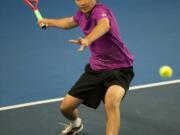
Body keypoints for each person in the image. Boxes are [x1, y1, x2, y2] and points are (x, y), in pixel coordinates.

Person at [38, 0, 134, 135]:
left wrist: (88, 39)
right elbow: (68, 22)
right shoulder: (81, 14)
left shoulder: (101, 11)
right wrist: (49, 21)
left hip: (119, 69)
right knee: (66, 108)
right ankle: (76, 125)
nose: (82, 3)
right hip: (95, 70)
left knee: (111, 102)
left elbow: (104, 25)